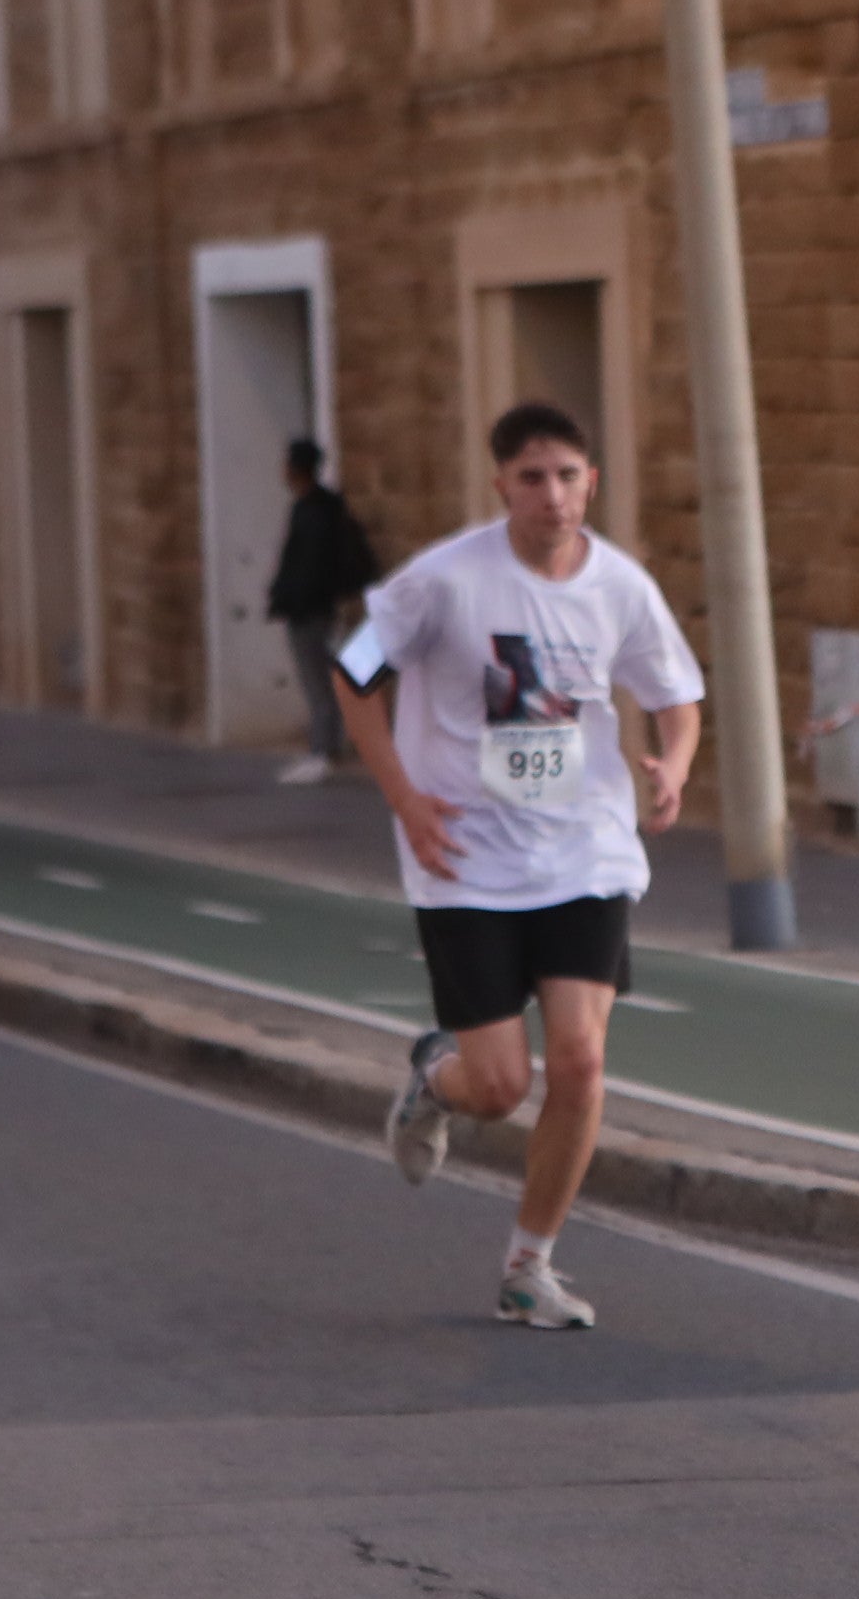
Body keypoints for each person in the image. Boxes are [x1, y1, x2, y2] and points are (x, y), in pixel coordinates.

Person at [335, 402, 705, 1331]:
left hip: (584, 850)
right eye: (533, 477)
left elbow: (678, 695)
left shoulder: (620, 585)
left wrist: (675, 764)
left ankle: (527, 1267)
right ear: (500, 484)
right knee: (499, 1088)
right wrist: (405, 799)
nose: (553, 495)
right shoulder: (444, 583)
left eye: (569, 475)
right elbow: (353, 672)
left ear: (593, 483)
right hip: (466, 861)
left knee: (579, 1062)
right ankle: (437, 1077)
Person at [267, 434, 382, 783]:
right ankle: (326, 746)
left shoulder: (313, 512)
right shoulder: (322, 507)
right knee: (322, 680)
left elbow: (309, 566)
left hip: (311, 611)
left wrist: (294, 600)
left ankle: (324, 750)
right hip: (317, 608)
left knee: (317, 681)